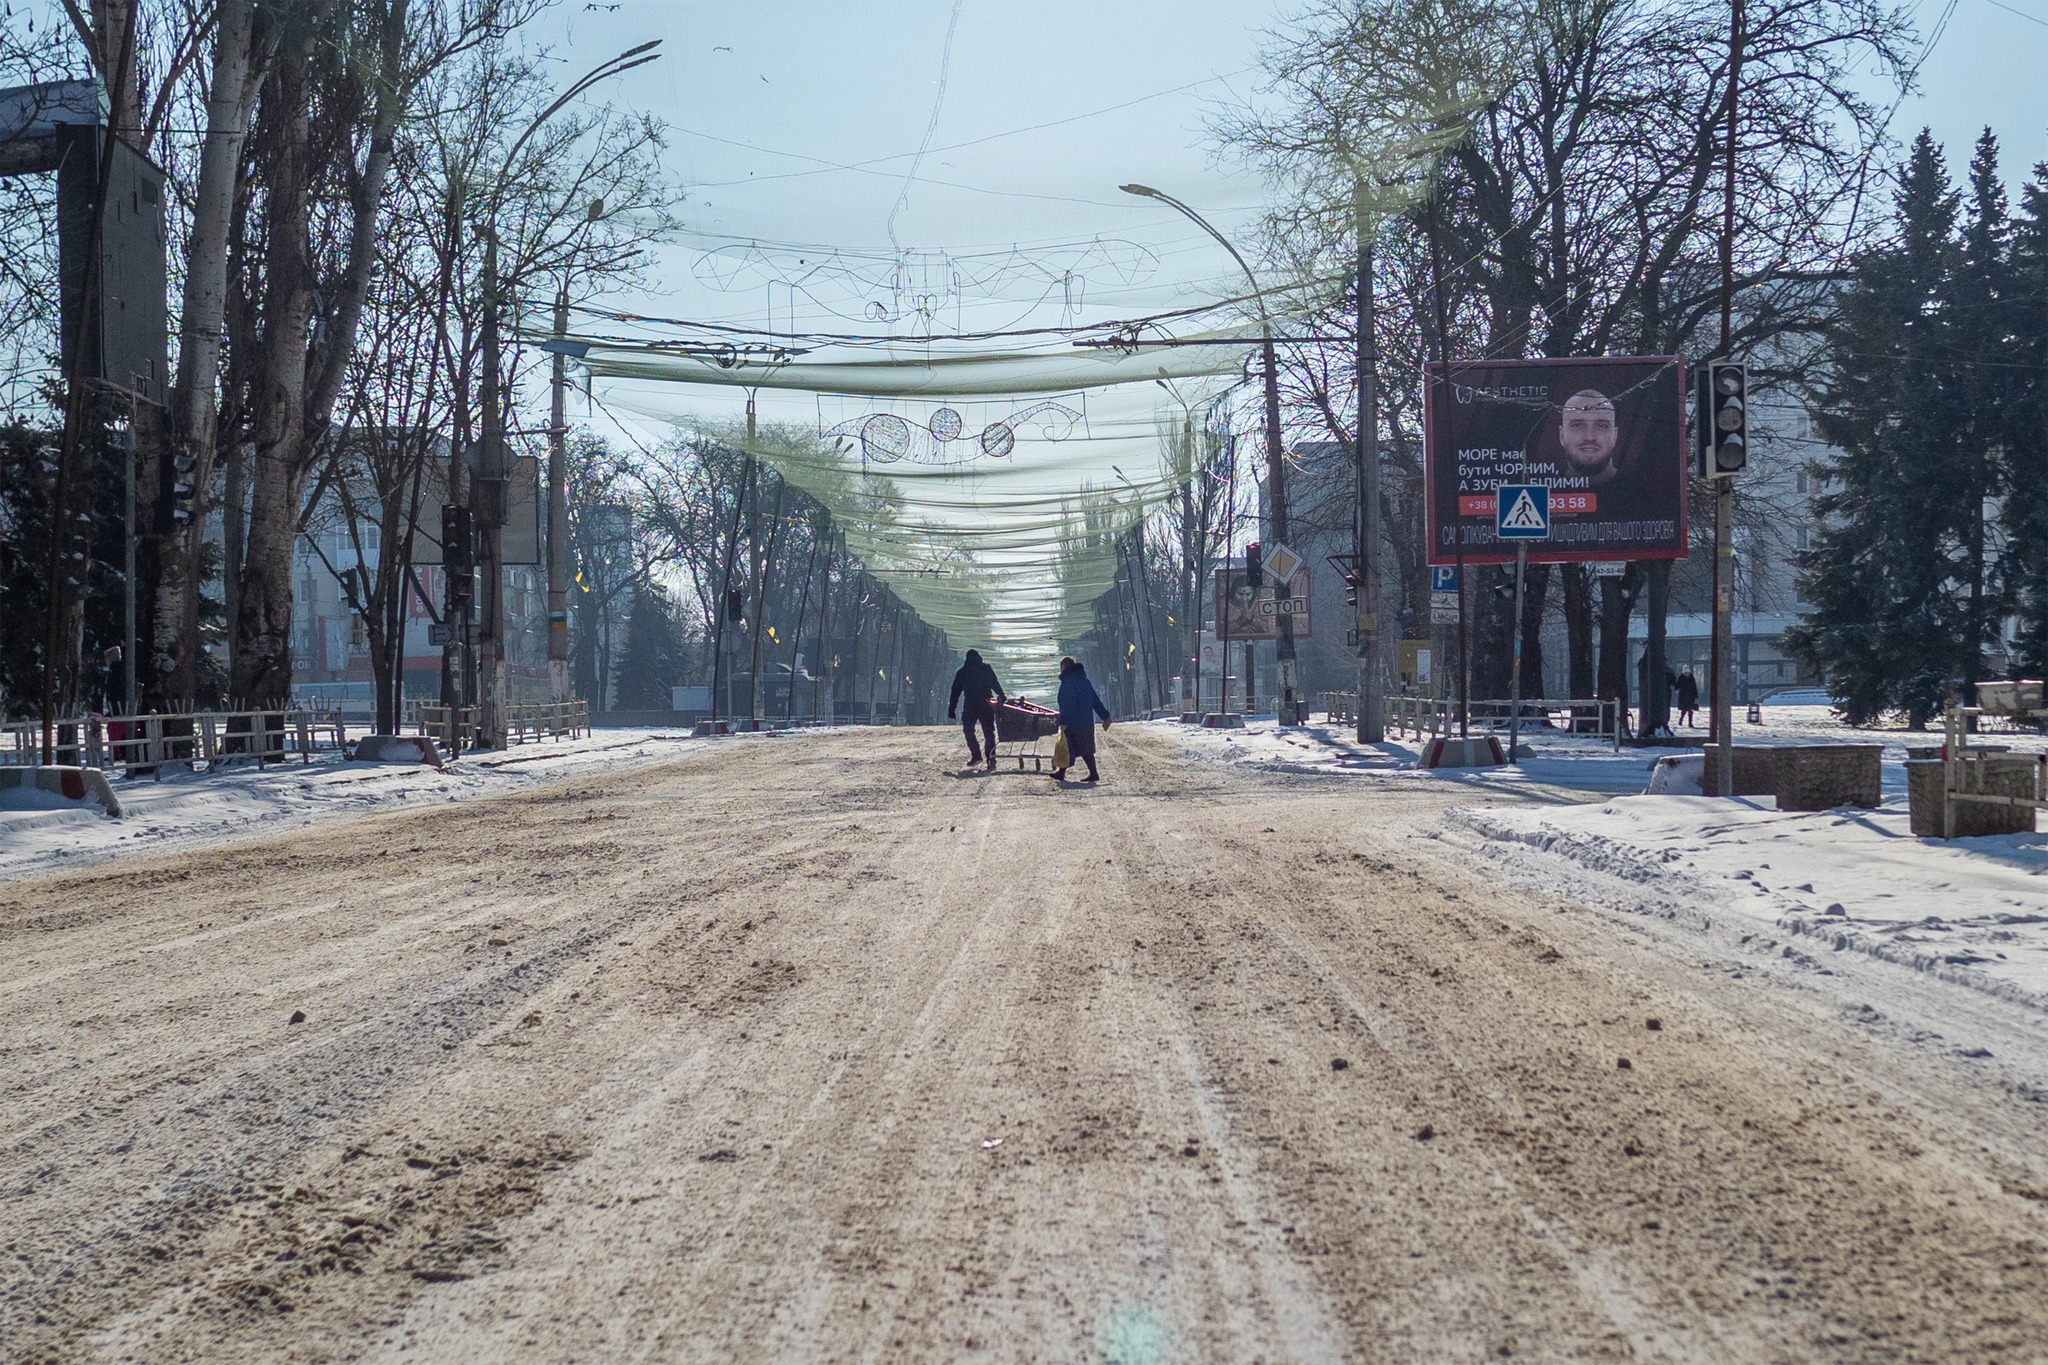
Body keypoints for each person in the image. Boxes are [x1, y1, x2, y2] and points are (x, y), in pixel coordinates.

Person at [1053, 655, 1112, 783]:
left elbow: (1068, 704)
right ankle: (1092, 773)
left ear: (1064, 667)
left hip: (1073, 722)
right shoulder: (1084, 681)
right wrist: (1105, 716)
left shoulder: (1068, 683)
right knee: (1085, 748)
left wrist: (1064, 721)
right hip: (1086, 721)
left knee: (1068, 746)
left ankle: (1062, 772)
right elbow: (1095, 701)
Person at [947, 648, 1007, 770]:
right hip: (986, 704)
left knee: (968, 731)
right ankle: (991, 759)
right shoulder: (986, 669)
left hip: (970, 706)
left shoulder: (962, 672)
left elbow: (955, 692)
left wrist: (951, 709)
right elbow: (995, 683)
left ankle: (976, 756)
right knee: (989, 733)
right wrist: (1002, 695)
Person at [1558, 389, 1621, 486]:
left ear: (1615, 436)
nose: (1589, 437)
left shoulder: (1643, 489)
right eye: (1577, 425)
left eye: (1601, 426)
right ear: (1561, 435)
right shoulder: (1542, 492)